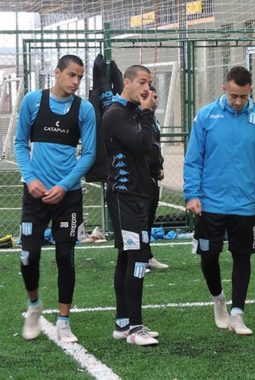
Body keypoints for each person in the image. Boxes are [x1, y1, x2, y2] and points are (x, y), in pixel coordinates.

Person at [184, 66, 255, 336]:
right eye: (234, 95)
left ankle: (238, 313)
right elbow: (193, 160)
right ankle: (218, 300)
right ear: (224, 88)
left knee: (242, 256)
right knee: (209, 255)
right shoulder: (205, 116)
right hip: (210, 203)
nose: (238, 102)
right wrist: (192, 194)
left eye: (243, 97)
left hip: (244, 204)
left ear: (250, 92)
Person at [14, 54, 96, 343]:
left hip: (68, 196)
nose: (76, 82)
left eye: (80, 77)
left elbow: (88, 154)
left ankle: (63, 321)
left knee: (65, 256)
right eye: (71, 75)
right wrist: (31, 177)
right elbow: (20, 144)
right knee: (28, 256)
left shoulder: (84, 109)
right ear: (57, 72)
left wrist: (64, 185)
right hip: (35, 194)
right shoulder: (32, 101)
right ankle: (34, 305)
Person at [103, 64, 160, 346]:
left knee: (128, 256)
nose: (146, 88)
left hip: (138, 194)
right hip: (123, 195)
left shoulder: (132, 112)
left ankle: (123, 323)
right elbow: (141, 143)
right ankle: (135, 329)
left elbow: (150, 147)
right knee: (137, 257)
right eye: (141, 82)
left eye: (149, 82)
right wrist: (148, 113)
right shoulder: (115, 114)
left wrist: (146, 114)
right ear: (126, 82)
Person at [146, 86, 169, 271]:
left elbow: (155, 147)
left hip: (153, 177)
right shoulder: (138, 118)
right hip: (139, 180)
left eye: (156, 97)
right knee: (140, 220)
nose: (155, 100)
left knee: (148, 220)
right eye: (152, 97)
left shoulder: (154, 120)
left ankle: (147, 255)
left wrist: (159, 167)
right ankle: (140, 257)